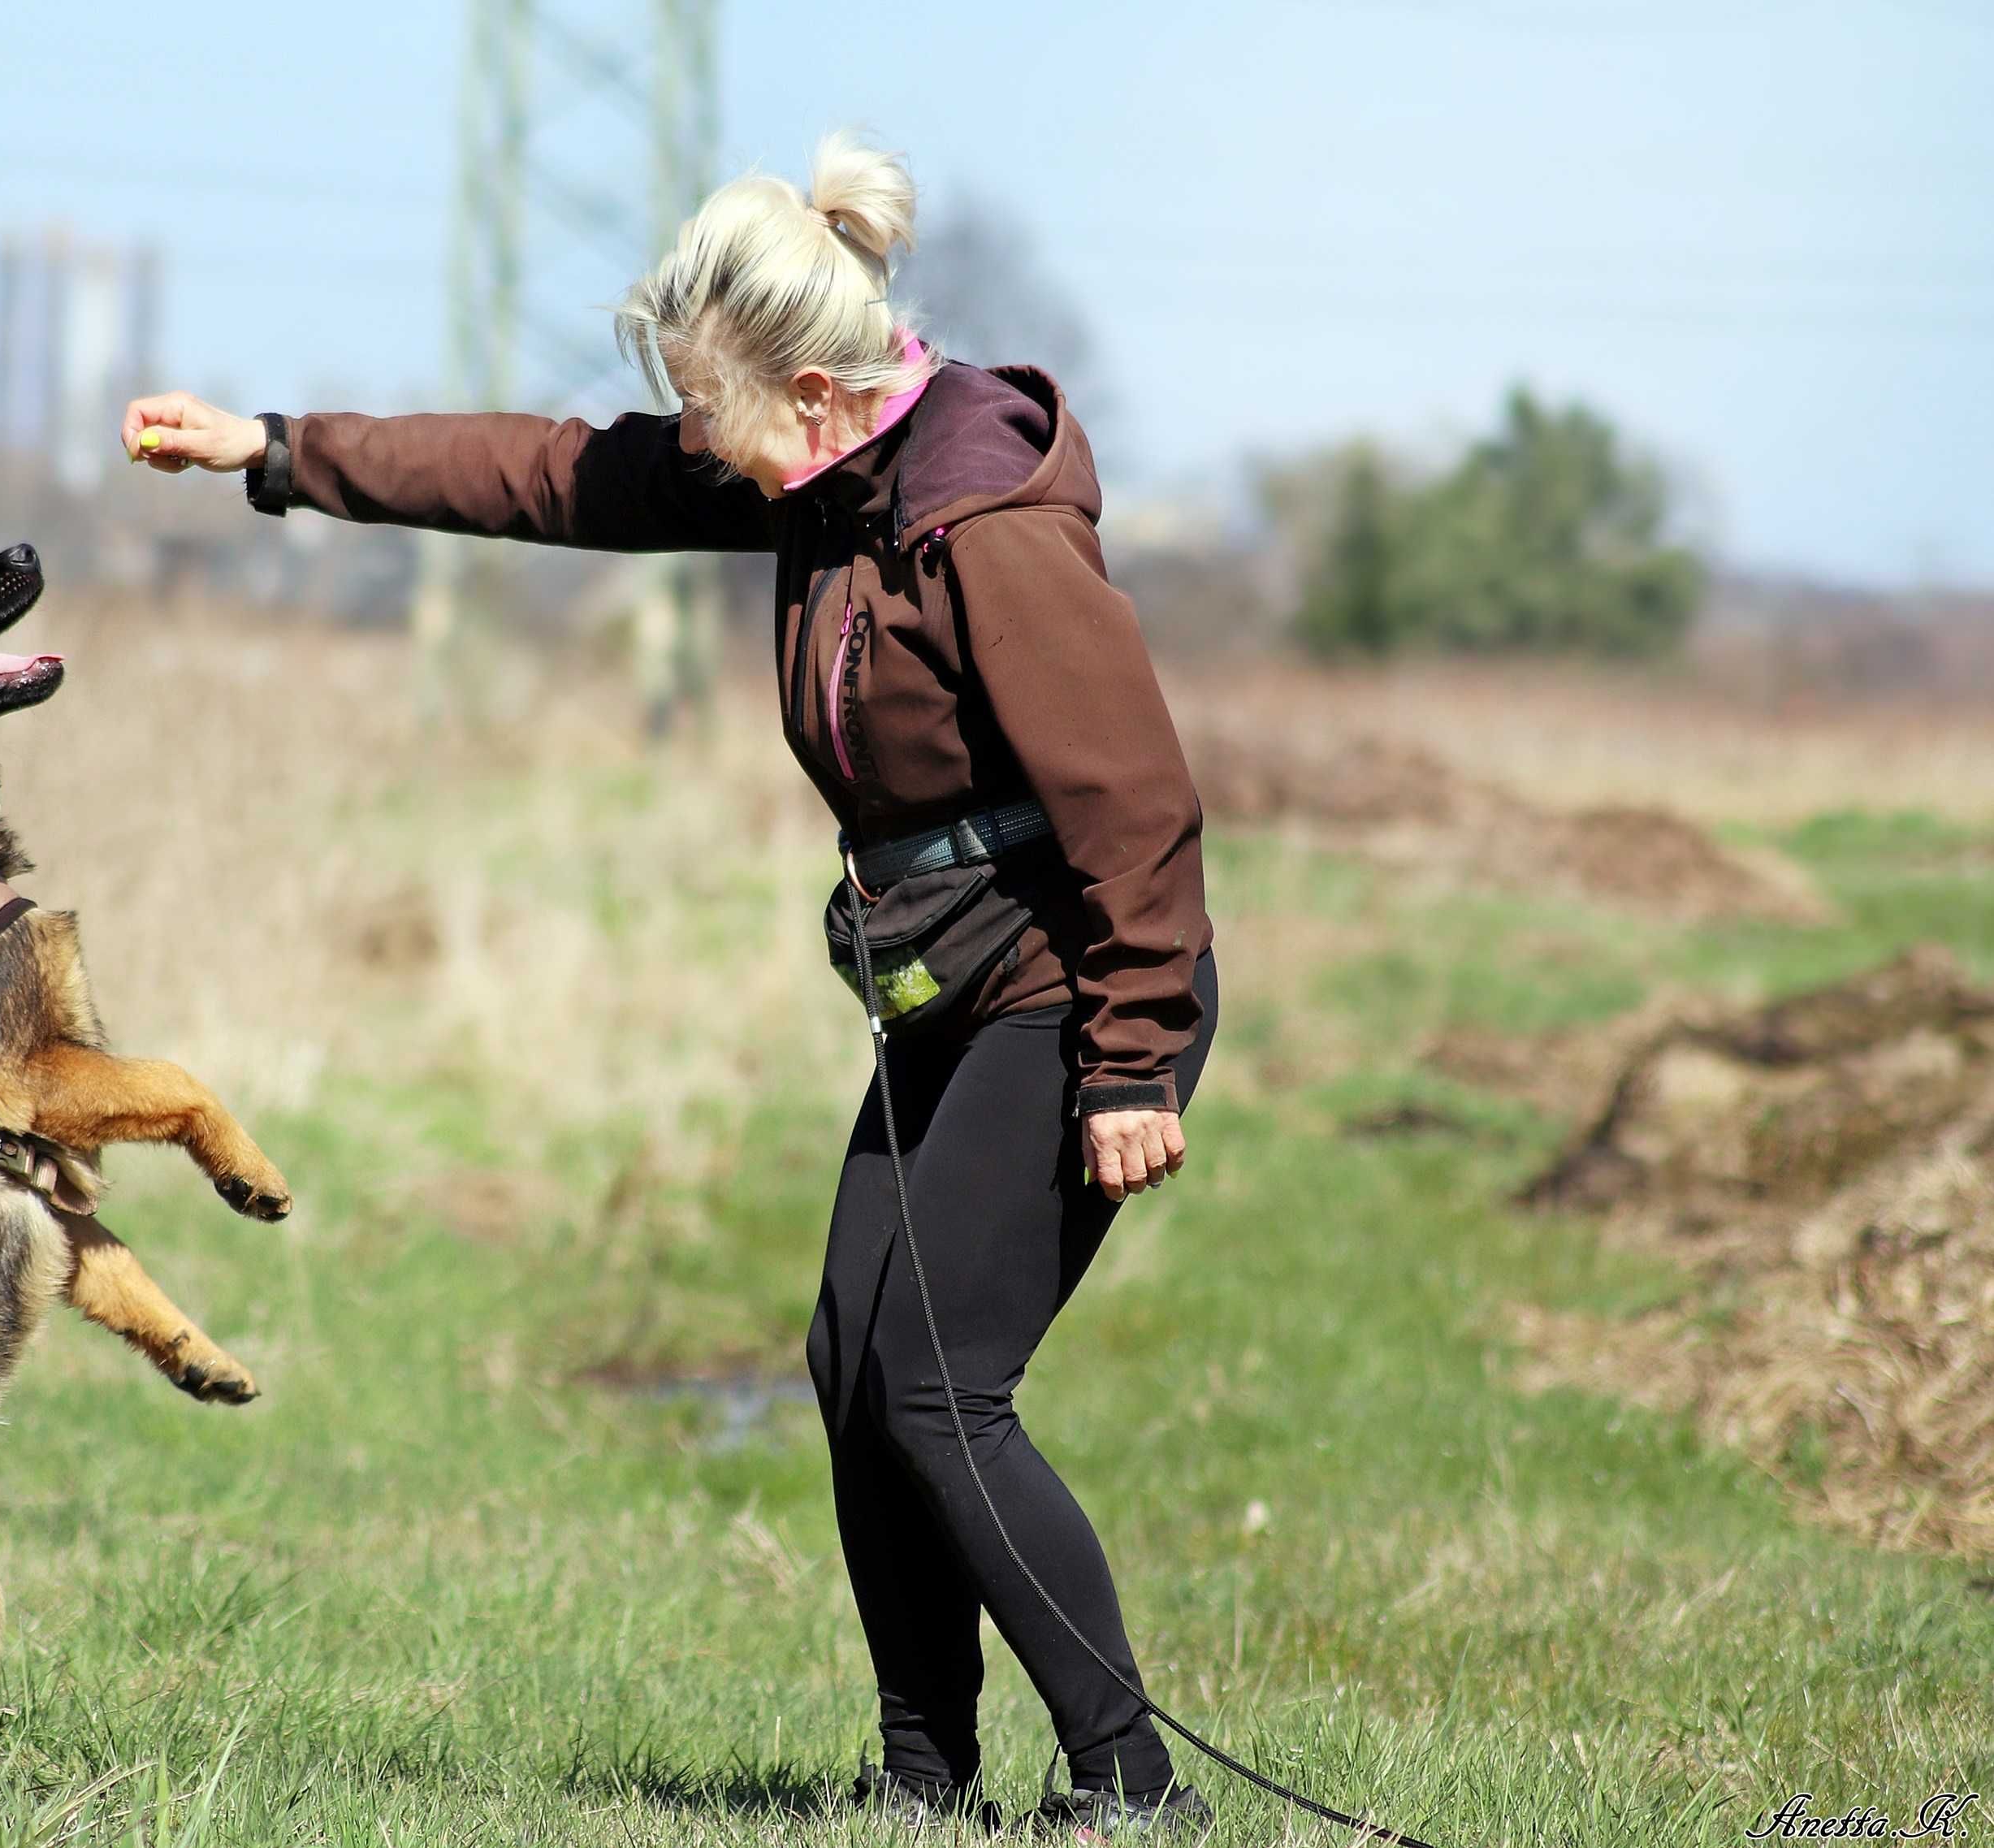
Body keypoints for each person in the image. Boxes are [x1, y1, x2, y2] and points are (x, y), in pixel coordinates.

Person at [119, 132, 1218, 1842]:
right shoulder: (813, 463)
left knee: (937, 1383)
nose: (696, 448)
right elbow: (551, 475)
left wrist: (1133, 1057)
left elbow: (1133, 803)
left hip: (1073, 985)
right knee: (852, 1357)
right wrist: (281, 451)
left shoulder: (979, 520)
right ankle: (922, 1775)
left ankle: (1136, 1789)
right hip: (958, 977)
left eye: (713, 413)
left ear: (806, 384)